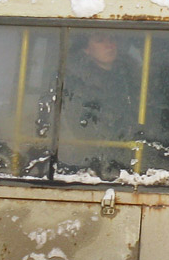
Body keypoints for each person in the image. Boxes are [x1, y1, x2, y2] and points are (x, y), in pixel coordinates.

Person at [56, 31, 140, 177]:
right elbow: (75, 125)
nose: (110, 45)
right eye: (100, 40)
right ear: (86, 49)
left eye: (112, 39)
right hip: (80, 163)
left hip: (125, 160)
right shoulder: (74, 82)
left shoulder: (130, 79)